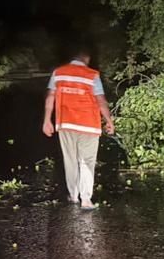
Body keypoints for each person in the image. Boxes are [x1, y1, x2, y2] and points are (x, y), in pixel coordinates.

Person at [42, 53, 115, 208]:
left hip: (66, 124)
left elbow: (50, 97)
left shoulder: (58, 72)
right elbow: (101, 100)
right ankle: (86, 199)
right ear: (86, 59)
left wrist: (47, 120)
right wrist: (109, 121)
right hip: (88, 124)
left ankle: (74, 195)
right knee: (87, 161)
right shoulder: (92, 75)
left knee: (70, 160)